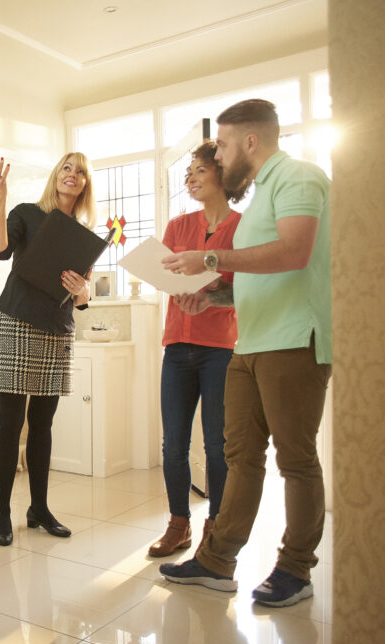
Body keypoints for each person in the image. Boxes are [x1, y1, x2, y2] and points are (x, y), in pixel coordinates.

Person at [158, 99, 332, 608]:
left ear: (250, 141)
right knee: (239, 457)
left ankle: (295, 569)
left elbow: (295, 251)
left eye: (225, 146)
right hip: (250, 344)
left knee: (295, 460)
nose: (219, 156)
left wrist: (210, 258)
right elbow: (258, 276)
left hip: (293, 341)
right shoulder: (258, 200)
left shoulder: (299, 176)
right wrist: (213, 297)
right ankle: (217, 562)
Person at [0, 152, 95, 546]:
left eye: (80, 172)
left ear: (85, 185)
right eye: (67, 167)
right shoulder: (27, 214)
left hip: (58, 330)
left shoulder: (83, 235)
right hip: (16, 322)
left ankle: (39, 509)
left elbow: (82, 301)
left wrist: (83, 292)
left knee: (43, 425)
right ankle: (2, 512)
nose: (72, 175)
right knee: (10, 424)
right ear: (56, 175)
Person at [148, 140, 247, 558]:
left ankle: (215, 529)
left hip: (219, 349)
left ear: (222, 173)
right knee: (173, 444)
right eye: (187, 173)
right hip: (176, 347)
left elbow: (247, 289)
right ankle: (178, 525)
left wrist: (211, 297)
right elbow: (167, 276)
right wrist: (179, 290)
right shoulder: (177, 226)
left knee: (217, 447)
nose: (190, 179)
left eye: (199, 171)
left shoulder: (243, 228)